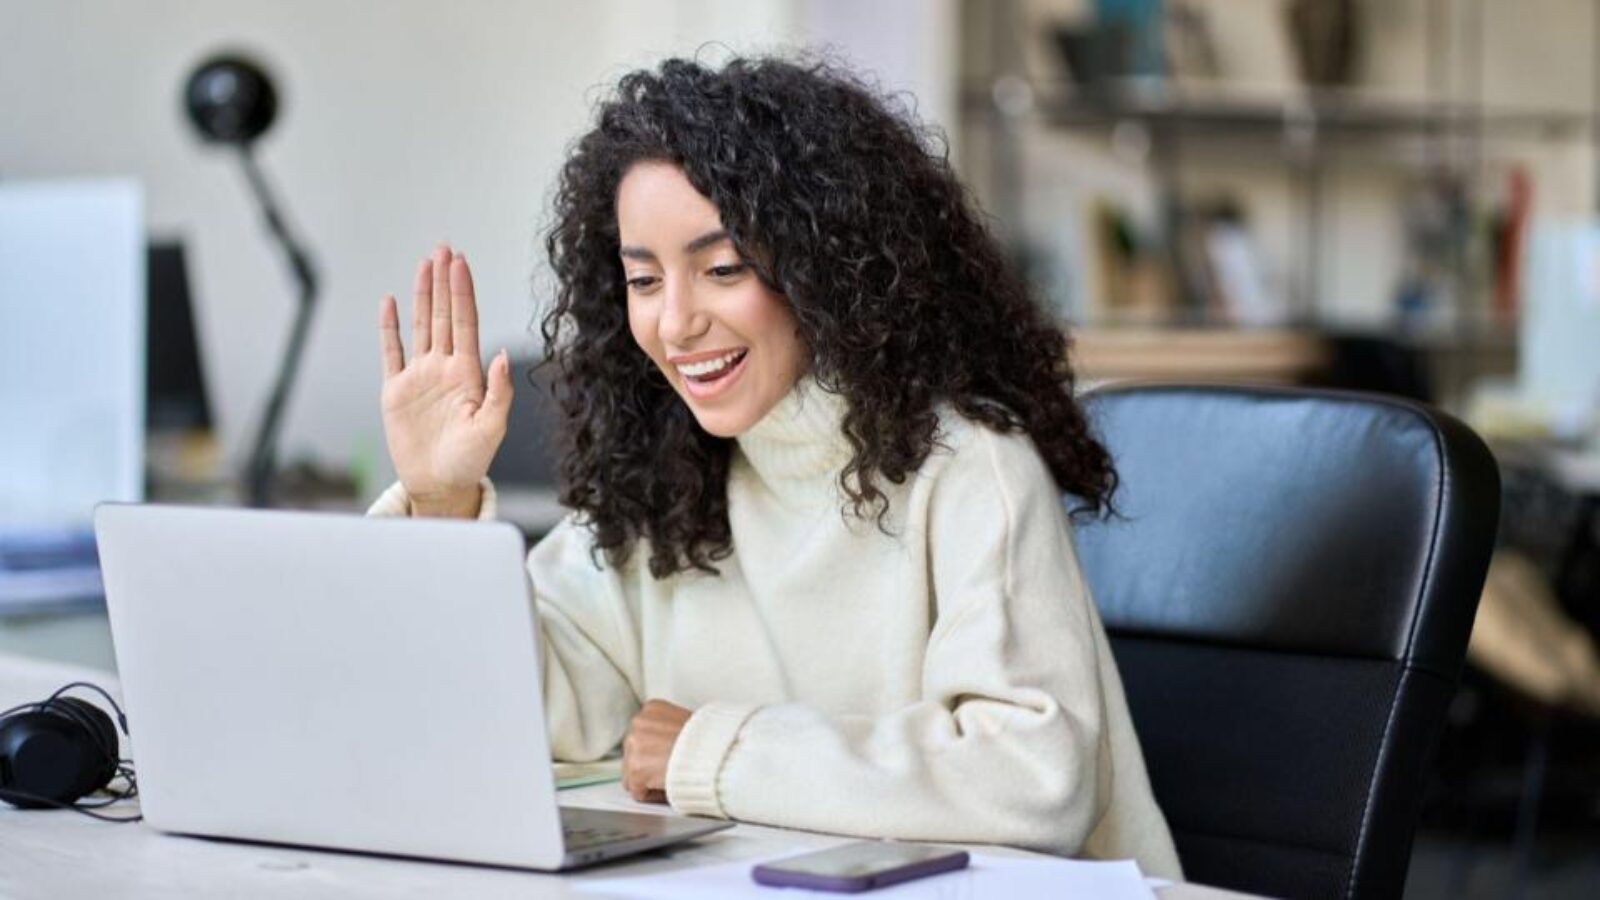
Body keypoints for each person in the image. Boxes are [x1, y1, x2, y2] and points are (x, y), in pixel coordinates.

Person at [369, 55, 1181, 876]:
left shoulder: (971, 467)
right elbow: (516, 712)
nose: (677, 322)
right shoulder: (660, 478)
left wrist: (714, 752)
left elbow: (1032, 780)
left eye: (723, 269)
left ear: (829, 267)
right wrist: (441, 504)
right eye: (643, 279)